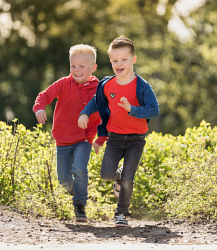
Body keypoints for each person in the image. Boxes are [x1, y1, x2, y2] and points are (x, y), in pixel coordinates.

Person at [78, 36, 159, 227]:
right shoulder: (107, 85)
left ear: (133, 59)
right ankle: (118, 176)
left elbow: (154, 109)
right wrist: (85, 113)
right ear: (110, 61)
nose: (119, 64)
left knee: (128, 180)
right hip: (114, 138)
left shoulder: (142, 86)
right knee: (106, 174)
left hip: (136, 140)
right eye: (114, 60)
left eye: (123, 59)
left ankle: (121, 213)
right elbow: (95, 103)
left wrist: (132, 109)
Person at [33, 44, 106, 222]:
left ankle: (80, 205)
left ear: (93, 68)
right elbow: (44, 95)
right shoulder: (64, 83)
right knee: (64, 178)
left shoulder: (98, 89)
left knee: (79, 169)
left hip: (84, 138)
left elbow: (107, 116)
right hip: (63, 139)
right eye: (73, 66)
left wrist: (101, 139)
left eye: (82, 66)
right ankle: (81, 192)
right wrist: (39, 108)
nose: (77, 70)